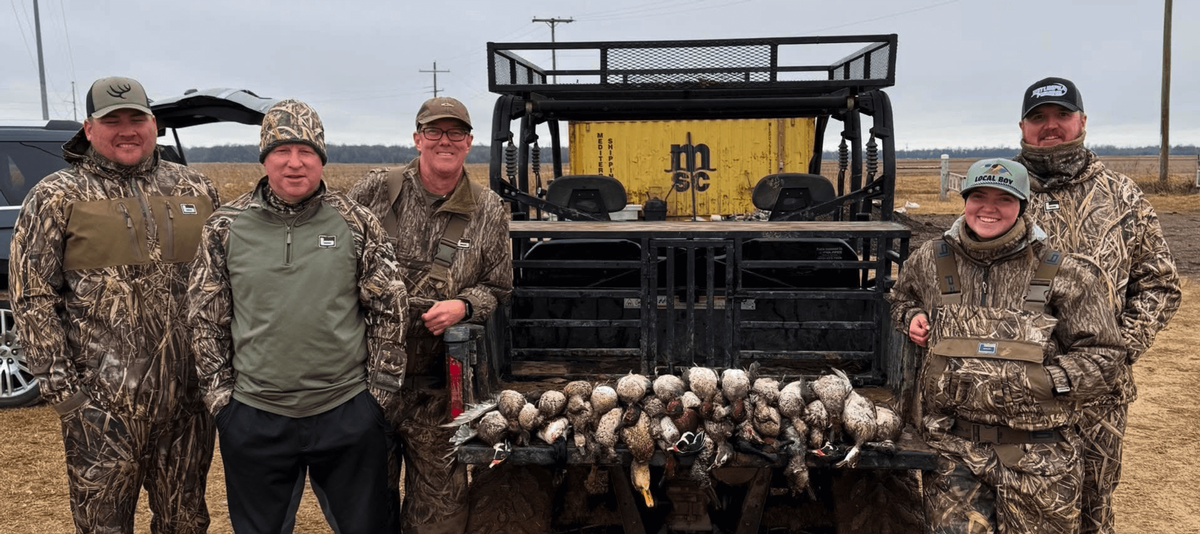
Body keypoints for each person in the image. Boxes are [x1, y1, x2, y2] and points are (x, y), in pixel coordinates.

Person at [8, 76, 219, 533]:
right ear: (89, 129)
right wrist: (69, 397)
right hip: (102, 413)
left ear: (154, 124)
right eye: (112, 120)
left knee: (186, 524)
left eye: (136, 118)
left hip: (188, 411)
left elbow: (222, 289)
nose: (126, 130)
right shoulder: (56, 196)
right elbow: (33, 299)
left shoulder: (197, 189)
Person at [187, 99, 407, 534]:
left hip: (345, 409)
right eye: (281, 151)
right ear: (264, 158)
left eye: (306, 151)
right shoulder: (225, 227)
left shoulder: (356, 223)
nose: (294, 163)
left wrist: (377, 398)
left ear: (321, 158)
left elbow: (390, 308)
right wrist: (222, 404)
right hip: (255, 414)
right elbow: (204, 318)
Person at [889, 158, 1126, 533]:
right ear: (965, 200)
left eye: (1004, 198)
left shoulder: (1065, 272)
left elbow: (1106, 354)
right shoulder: (930, 260)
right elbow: (900, 299)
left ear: (1023, 205)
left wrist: (1050, 381)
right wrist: (912, 317)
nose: (989, 208)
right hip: (953, 453)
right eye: (978, 196)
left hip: (1041, 458)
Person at [1013, 77, 1182, 534]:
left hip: (1099, 397)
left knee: (1093, 505)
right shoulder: (999, 193)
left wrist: (1115, 353)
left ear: (1082, 121)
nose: (1050, 126)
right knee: (1017, 504)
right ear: (1023, 127)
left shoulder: (1122, 195)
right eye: (1038, 117)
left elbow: (1161, 285)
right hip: (1018, 388)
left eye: (1062, 115)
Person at [346, 96, 513, 533]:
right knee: (364, 511)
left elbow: (498, 287)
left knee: (441, 518)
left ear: (469, 143)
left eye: (456, 132)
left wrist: (464, 305)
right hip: (365, 385)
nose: (445, 140)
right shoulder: (374, 191)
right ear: (417, 138)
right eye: (434, 131)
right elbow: (330, 259)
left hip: (438, 392)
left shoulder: (489, 209)